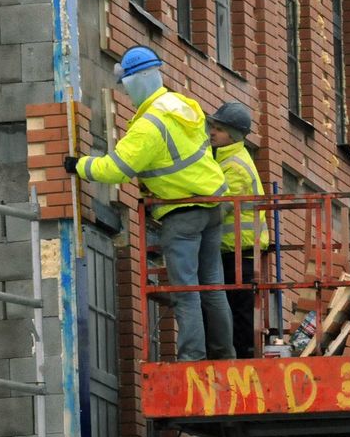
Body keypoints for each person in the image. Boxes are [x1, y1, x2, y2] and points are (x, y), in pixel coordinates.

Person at [63, 46, 235, 362]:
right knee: (213, 286)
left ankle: (192, 358)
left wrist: (80, 165)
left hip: (182, 212)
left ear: (135, 82)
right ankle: (225, 355)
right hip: (214, 203)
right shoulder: (185, 104)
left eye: (126, 86)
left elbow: (116, 168)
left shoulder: (148, 127)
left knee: (186, 291)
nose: (126, 95)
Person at [207, 101, 269, 359]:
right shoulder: (226, 159)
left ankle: (240, 359)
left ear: (232, 135)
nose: (212, 132)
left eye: (219, 129)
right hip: (234, 251)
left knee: (236, 310)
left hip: (239, 252)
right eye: (213, 127)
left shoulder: (233, 166)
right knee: (231, 307)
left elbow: (219, 209)